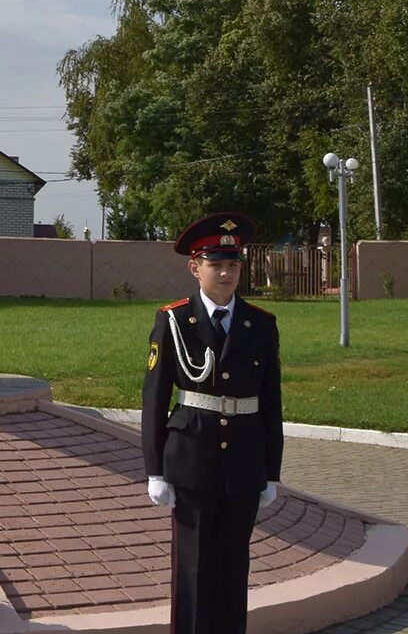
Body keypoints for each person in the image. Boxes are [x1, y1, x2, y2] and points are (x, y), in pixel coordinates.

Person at [140, 212, 283, 634]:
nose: (225, 273)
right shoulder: (173, 320)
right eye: (216, 264)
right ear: (195, 267)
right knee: (194, 568)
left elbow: (272, 402)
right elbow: (155, 399)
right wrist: (155, 470)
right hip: (192, 459)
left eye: (233, 265)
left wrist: (271, 471)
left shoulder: (261, 324)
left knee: (234, 566)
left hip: (243, 460)